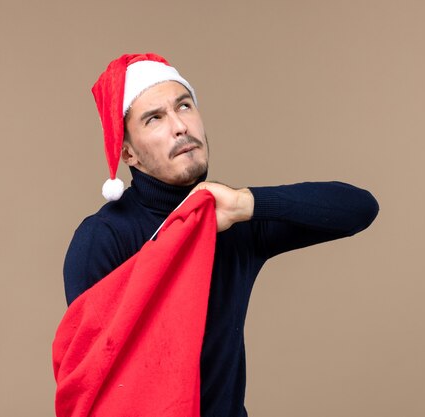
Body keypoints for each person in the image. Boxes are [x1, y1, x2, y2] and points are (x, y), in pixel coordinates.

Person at [63, 53, 379, 417]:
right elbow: (92, 379)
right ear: (128, 153)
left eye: (184, 106)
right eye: (154, 118)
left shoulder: (232, 218)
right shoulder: (102, 237)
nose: (180, 126)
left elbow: (359, 208)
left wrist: (247, 203)